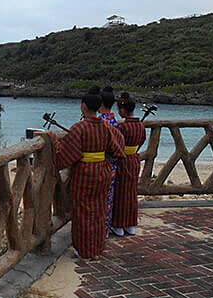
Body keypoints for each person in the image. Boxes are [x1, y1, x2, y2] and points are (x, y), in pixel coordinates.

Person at [49, 86, 125, 259]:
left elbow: (66, 155)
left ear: (84, 106)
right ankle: (97, 248)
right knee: (99, 210)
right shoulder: (107, 127)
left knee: (82, 210)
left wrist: (54, 142)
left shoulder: (79, 128)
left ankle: (83, 249)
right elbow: (119, 146)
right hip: (103, 171)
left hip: (85, 173)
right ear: (98, 107)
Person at [112, 92, 147, 237]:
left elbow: (116, 145)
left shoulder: (123, 127)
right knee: (131, 192)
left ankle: (119, 225)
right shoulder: (140, 126)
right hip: (134, 159)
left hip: (123, 160)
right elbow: (142, 141)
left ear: (122, 110)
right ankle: (130, 224)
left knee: (120, 192)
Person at [99, 86, 122, 238]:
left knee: (97, 200)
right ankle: (106, 230)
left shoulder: (100, 123)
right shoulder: (115, 122)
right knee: (108, 199)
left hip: (99, 164)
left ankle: (98, 231)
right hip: (112, 166)